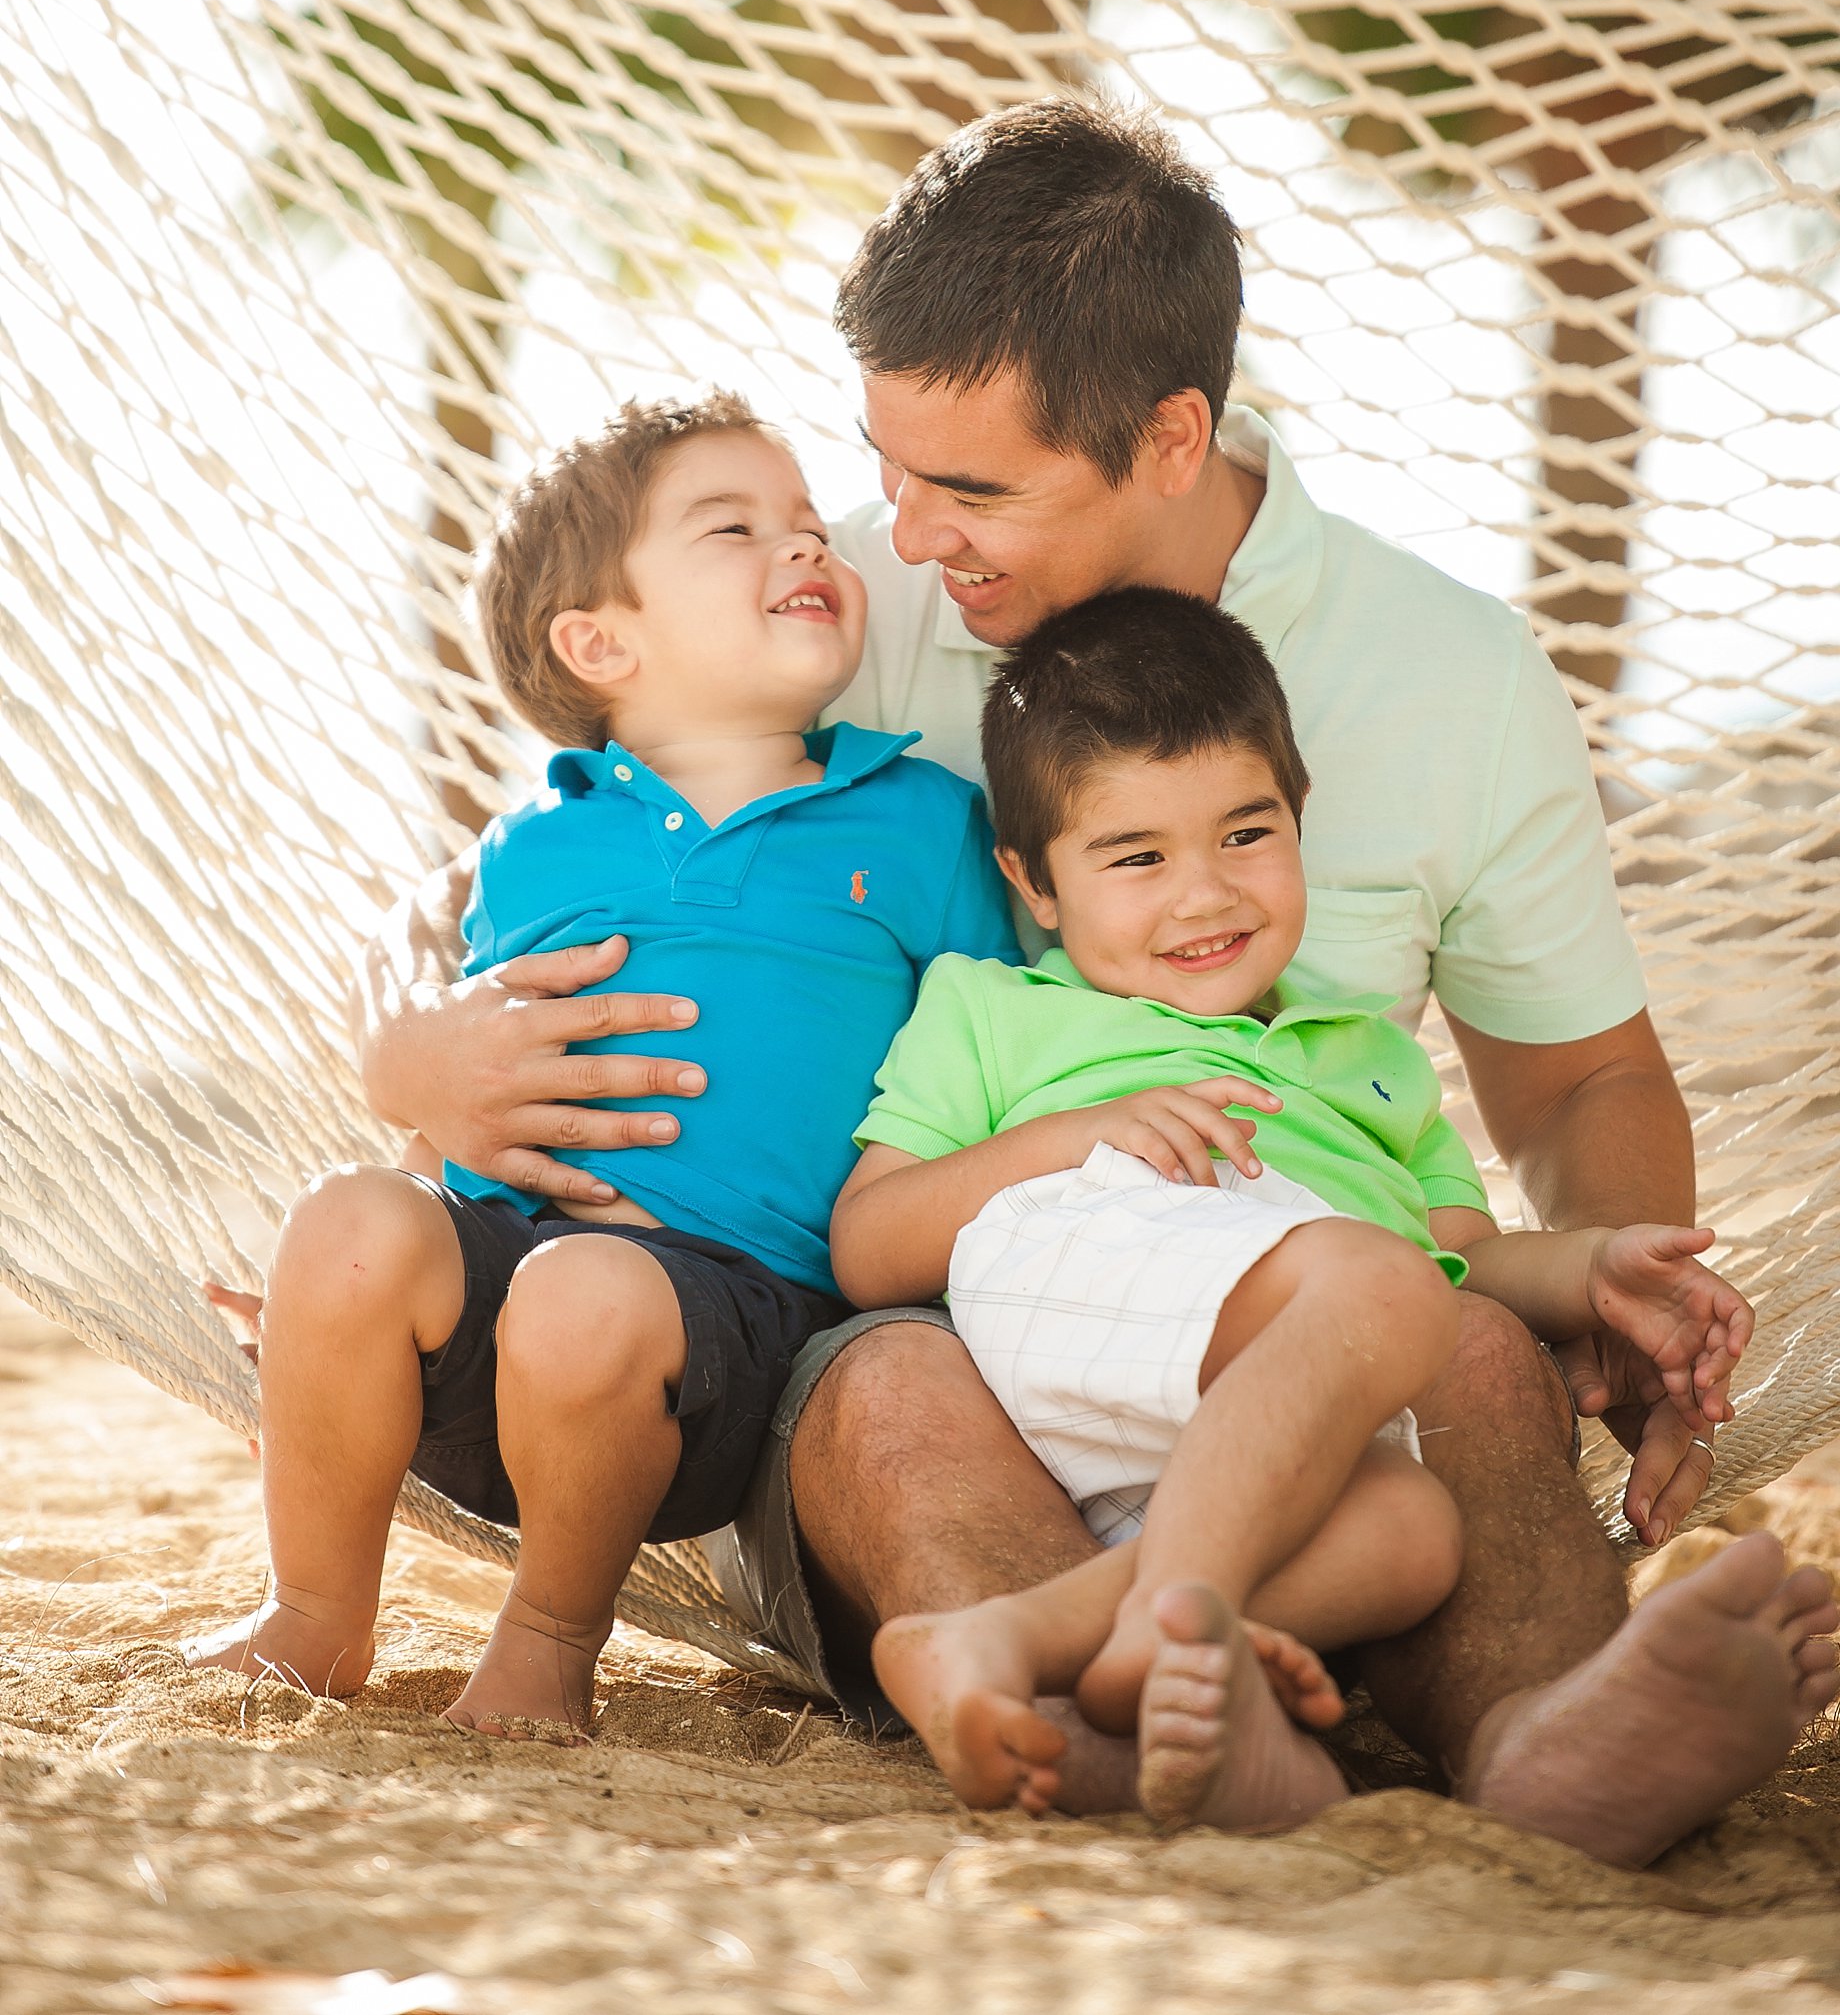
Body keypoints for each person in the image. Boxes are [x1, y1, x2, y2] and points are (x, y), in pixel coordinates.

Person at [353, 95, 1830, 1863]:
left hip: (1310, 1318)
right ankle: (1111, 1708)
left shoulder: (1451, 676)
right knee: (894, 1389)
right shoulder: (831, 603)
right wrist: (413, 1057)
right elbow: (539, 854)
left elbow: (1579, 1081)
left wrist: (1618, 1286)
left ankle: (1544, 1745)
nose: (897, 532)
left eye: (967, 488)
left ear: (1169, 436)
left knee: (1479, 1358)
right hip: (933, 1330)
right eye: (883, 463)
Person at [834, 587, 1786, 1831]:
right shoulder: (1001, 1010)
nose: (1204, 895)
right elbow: (867, 1243)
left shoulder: (1367, 1061)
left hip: (1239, 1438)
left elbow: (1463, 1269)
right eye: (1136, 856)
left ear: (1300, 822)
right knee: (1373, 1285)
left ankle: (1065, 1640)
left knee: (1410, 1533)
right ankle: (1148, 1644)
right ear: (1035, 881)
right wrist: (1062, 1138)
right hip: (1083, 1282)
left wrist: (1598, 1266)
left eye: (1246, 833)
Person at [185, 394, 1016, 1733]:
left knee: (587, 1292)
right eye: (736, 527)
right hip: (502, 1284)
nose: (804, 547)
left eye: (809, 526)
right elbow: (475, 1083)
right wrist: (337, 1320)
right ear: (599, 639)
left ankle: (549, 1641)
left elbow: (1006, 1053)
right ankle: (318, 1616)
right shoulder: (534, 843)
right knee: (340, 1221)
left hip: (723, 1344)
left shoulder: (923, 821)